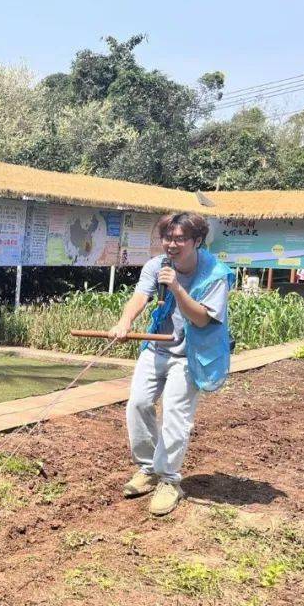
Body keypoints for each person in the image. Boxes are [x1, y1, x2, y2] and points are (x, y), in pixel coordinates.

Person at [110, 212, 233, 517]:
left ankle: (169, 480)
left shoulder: (215, 273)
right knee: (137, 403)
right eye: (168, 237)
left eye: (180, 238)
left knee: (176, 416)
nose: (172, 244)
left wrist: (177, 288)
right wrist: (125, 321)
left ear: (197, 241)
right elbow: (140, 296)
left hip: (191, 353)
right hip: (157, 347)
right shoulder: (157, 265)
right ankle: (149, 468)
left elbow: (202, 318)